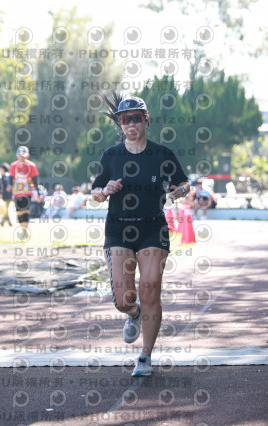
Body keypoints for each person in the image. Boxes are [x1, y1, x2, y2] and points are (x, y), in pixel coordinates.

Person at [91, 94, 189, 376]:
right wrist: (105, 190)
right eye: (125, 120)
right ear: (120, 124)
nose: (130, 124)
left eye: (136, 118)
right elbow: (95, 191)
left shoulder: (161, 154)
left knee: (150, 287)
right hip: (118, 228)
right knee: (124, 298)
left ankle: (145, 356)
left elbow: (185, 183)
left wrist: (179, 191)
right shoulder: (111, 155)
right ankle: (134, 314)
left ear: (146, 120)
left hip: (152, 228)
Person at [10, 146, 39, 237]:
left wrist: (38, 193)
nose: (21, 157)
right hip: (17, 192)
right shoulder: (13, 165)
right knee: (19, 211)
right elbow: (10, 178)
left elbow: (35, 180)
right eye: (20, 155)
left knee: (26, 210)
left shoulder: (31, 165)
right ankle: (22, 228)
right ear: (17, 155)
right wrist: (9, 186)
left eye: (23, 156)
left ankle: (25, 230)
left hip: (27, 191)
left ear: (27, 155)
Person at [0, 162, 13, 227]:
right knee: (6, 209)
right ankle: (8, 222)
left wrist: (1, 193)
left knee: (6, 209)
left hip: (6, 195)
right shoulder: (9, 175)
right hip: (9, 195)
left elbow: (5, 186)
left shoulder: (5, 176)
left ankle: (2, 222)